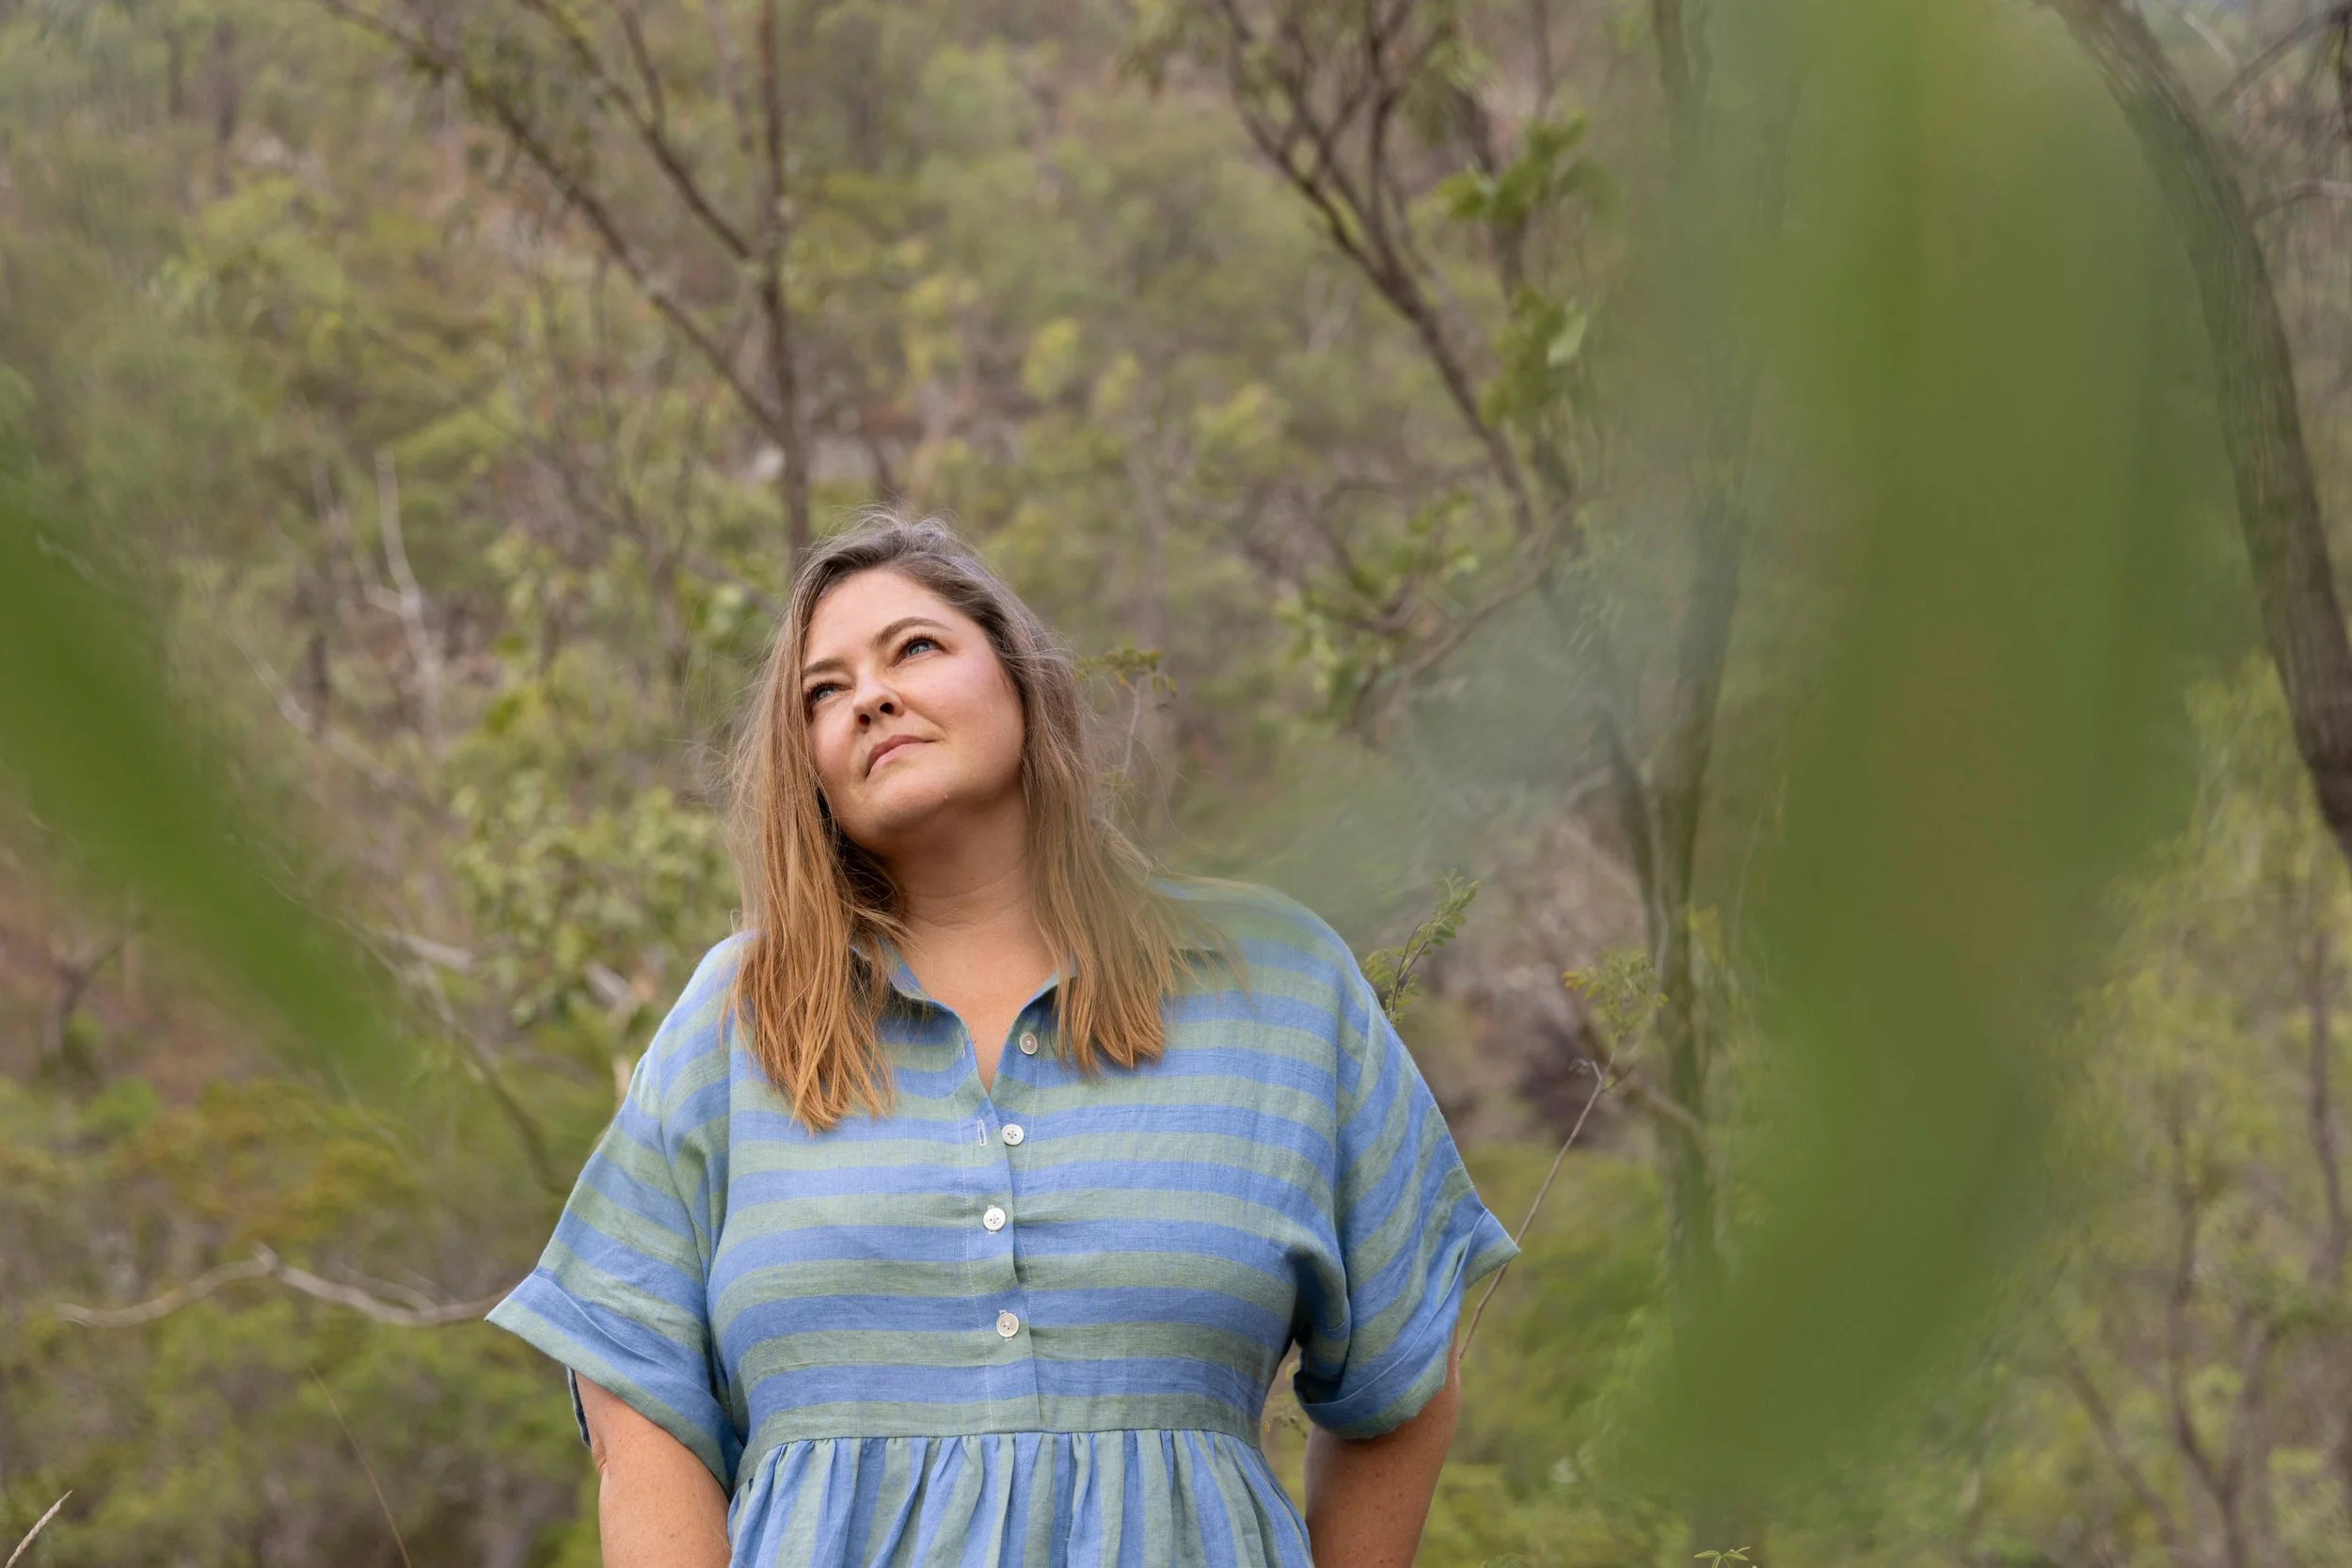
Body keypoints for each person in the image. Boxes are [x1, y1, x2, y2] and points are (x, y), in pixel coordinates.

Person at [487, 515, 1517, 1566]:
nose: (869, 698)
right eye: (822, 692)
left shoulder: (1275, 980)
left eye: (915, 649)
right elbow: (633, 1390)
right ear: (809, 772)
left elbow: (1402, 1372)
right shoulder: (736, 1016)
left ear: (1021, 680)